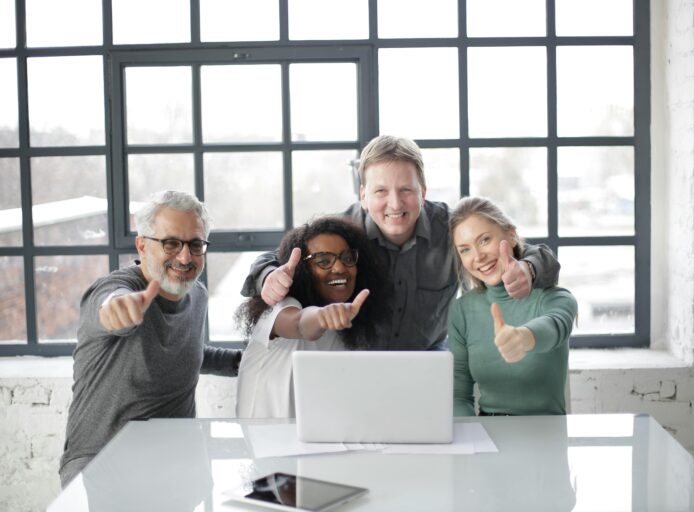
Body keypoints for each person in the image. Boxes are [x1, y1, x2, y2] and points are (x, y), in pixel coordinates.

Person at [241, 135, 561, 350]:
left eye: (406, 190)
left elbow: (542, 257)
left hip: (430, 365)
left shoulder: (453, 228)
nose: (395, 204)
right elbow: (267, 261)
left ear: (423, 191)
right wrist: (269, 277)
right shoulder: (338, 232)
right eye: (381, 191)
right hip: (354, 369)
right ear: (363, 196)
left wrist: (527, 271)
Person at [59, 190, 242, 488]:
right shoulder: (118, 289)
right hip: (102, 461)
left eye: (195, 244)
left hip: (175, 460)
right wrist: (117, 310)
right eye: (171, 243)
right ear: (142, 245)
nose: (185, 257)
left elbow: (189, 352)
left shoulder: (197, 294)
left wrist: (246, 361)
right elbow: (109, 306)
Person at [235, 216, 390, 418]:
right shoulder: (281, 305)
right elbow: (299, 323)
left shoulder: (351, 322)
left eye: (347, 258)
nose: (339, 268)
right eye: (323, 261)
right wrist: (321, 317)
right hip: (265, 443)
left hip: (317, 442)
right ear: (303, 269)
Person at [448, 196, 577, 416]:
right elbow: (458, 396)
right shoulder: (461, 311)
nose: (478, 256)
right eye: (465, 249)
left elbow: (555, 326)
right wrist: (471, 442)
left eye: (485, 240)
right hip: (487, 436)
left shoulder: (554, 297)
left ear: (511, 235)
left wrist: (523, 337)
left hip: (546, 438)